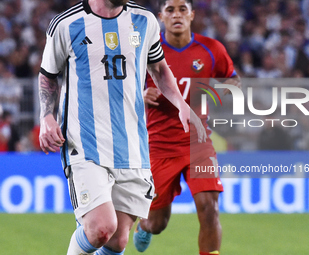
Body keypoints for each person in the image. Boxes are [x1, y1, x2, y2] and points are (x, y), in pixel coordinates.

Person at [38, 0, 206, 255]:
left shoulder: (144, 21)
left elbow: (158, 67)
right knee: (100, 228)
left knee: (117, 241)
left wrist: (181, 104)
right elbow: (48, 75)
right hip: (85, 144)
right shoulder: (66, 24)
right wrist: (46, 117)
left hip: (132, 146)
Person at [133, 0, 241, 254]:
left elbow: (232, 80)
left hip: (198, 143)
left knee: (209, 208)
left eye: (183, 9)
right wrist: (140, 92)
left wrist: (222, 92)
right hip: (159, 146)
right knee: (157, 223)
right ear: (161, 16)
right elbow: (121, 88)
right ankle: (144, 227)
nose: (177, 15)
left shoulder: (211, 49)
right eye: (170, 10)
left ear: (192, 14)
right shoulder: (145, 50)